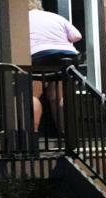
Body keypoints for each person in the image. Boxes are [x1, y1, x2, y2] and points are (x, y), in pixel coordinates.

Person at [28, 0, 82, 133]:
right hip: (67, 56)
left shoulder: (23, 18)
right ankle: (67, 133)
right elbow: (77, 36)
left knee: (33, 95)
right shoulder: (56, 17)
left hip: (39, 55)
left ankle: (32, 135)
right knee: (59, 96)